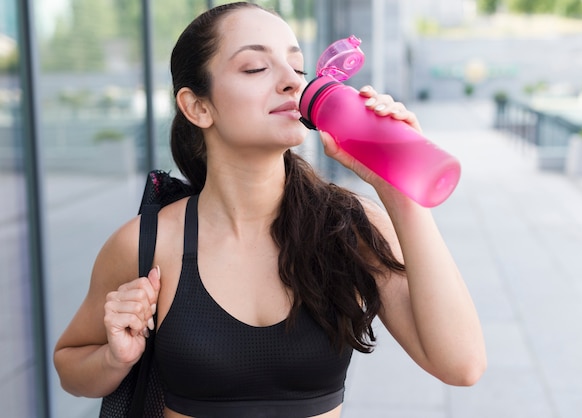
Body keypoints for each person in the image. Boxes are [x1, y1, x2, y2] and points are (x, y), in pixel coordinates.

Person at [54, 2, 486, 417]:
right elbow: (71, 366)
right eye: (256, 67)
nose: (291, 82)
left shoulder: (347, 226)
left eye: (297, 67)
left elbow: (461, 365)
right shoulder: (147, 243)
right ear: (198, 107)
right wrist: (116, 357)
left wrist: (401, 194)